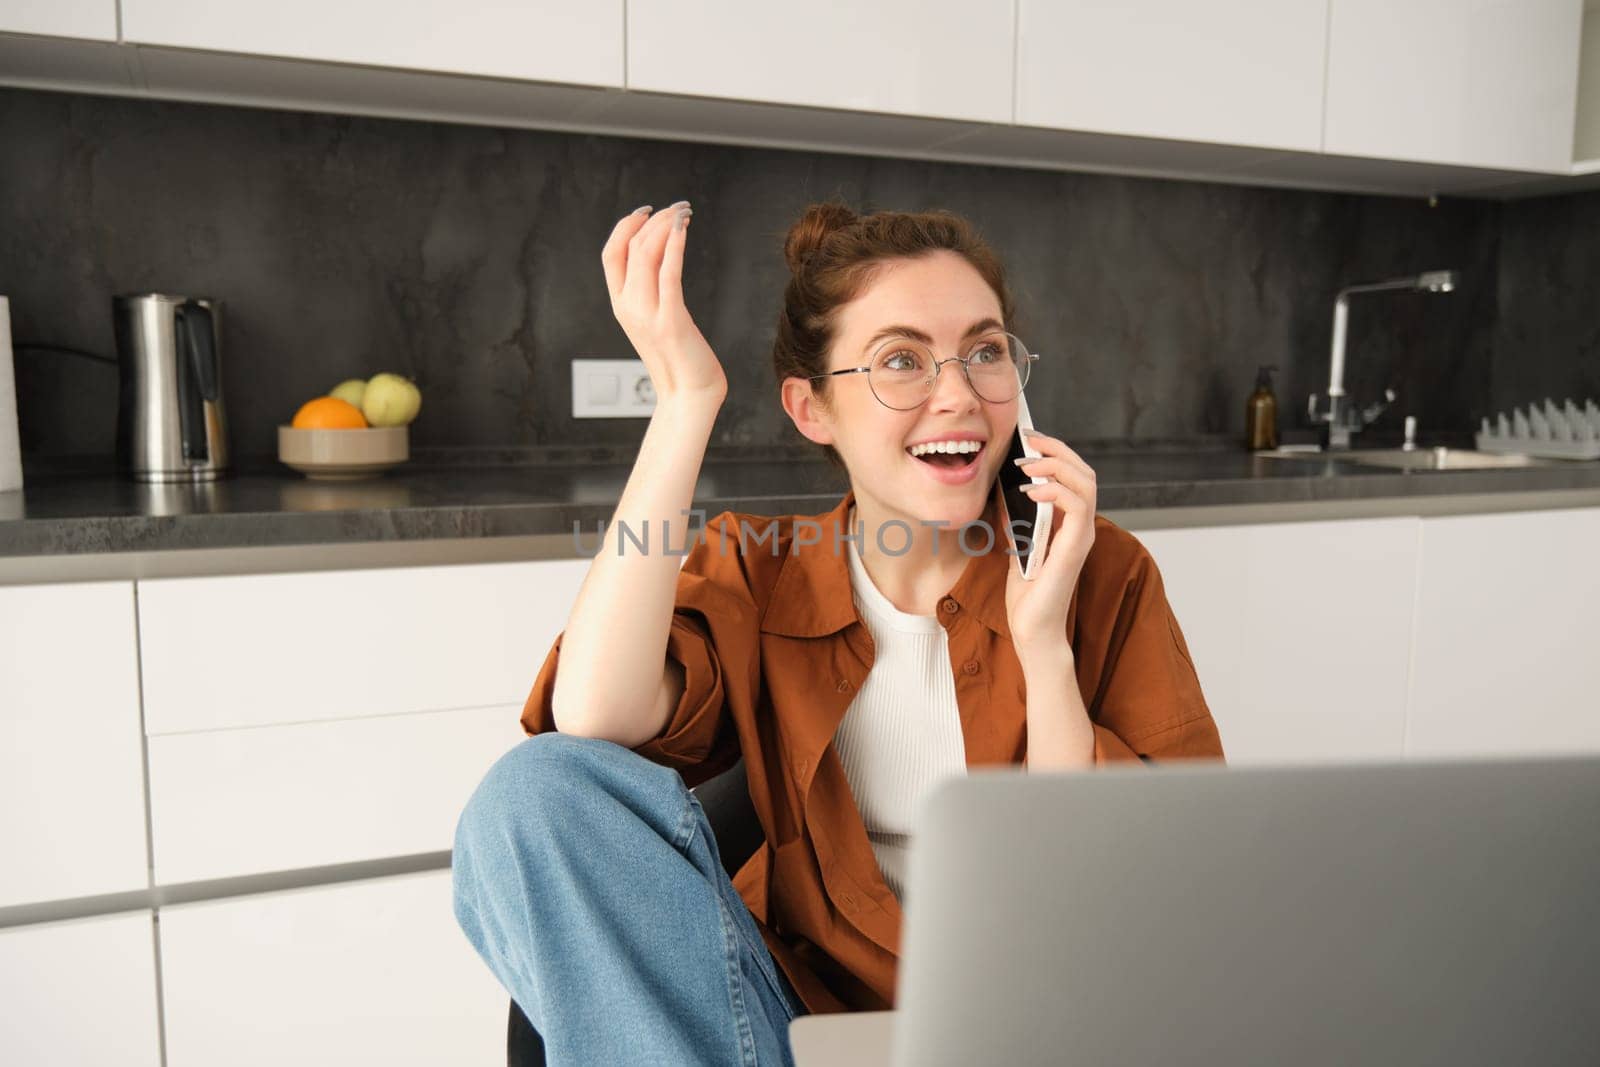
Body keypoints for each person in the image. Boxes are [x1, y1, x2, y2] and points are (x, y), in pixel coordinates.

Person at [451, 198, 1226, 1066]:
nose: (959, 394)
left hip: (1034, 1023)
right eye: (902, 360)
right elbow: (592, 713)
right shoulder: (762, 567)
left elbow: (1133, 891)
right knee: (535, 789)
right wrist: (685, 401)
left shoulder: (1098, 569)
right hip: (793, 1028)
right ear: (811, 408)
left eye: (986, 351)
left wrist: (1044, 642)